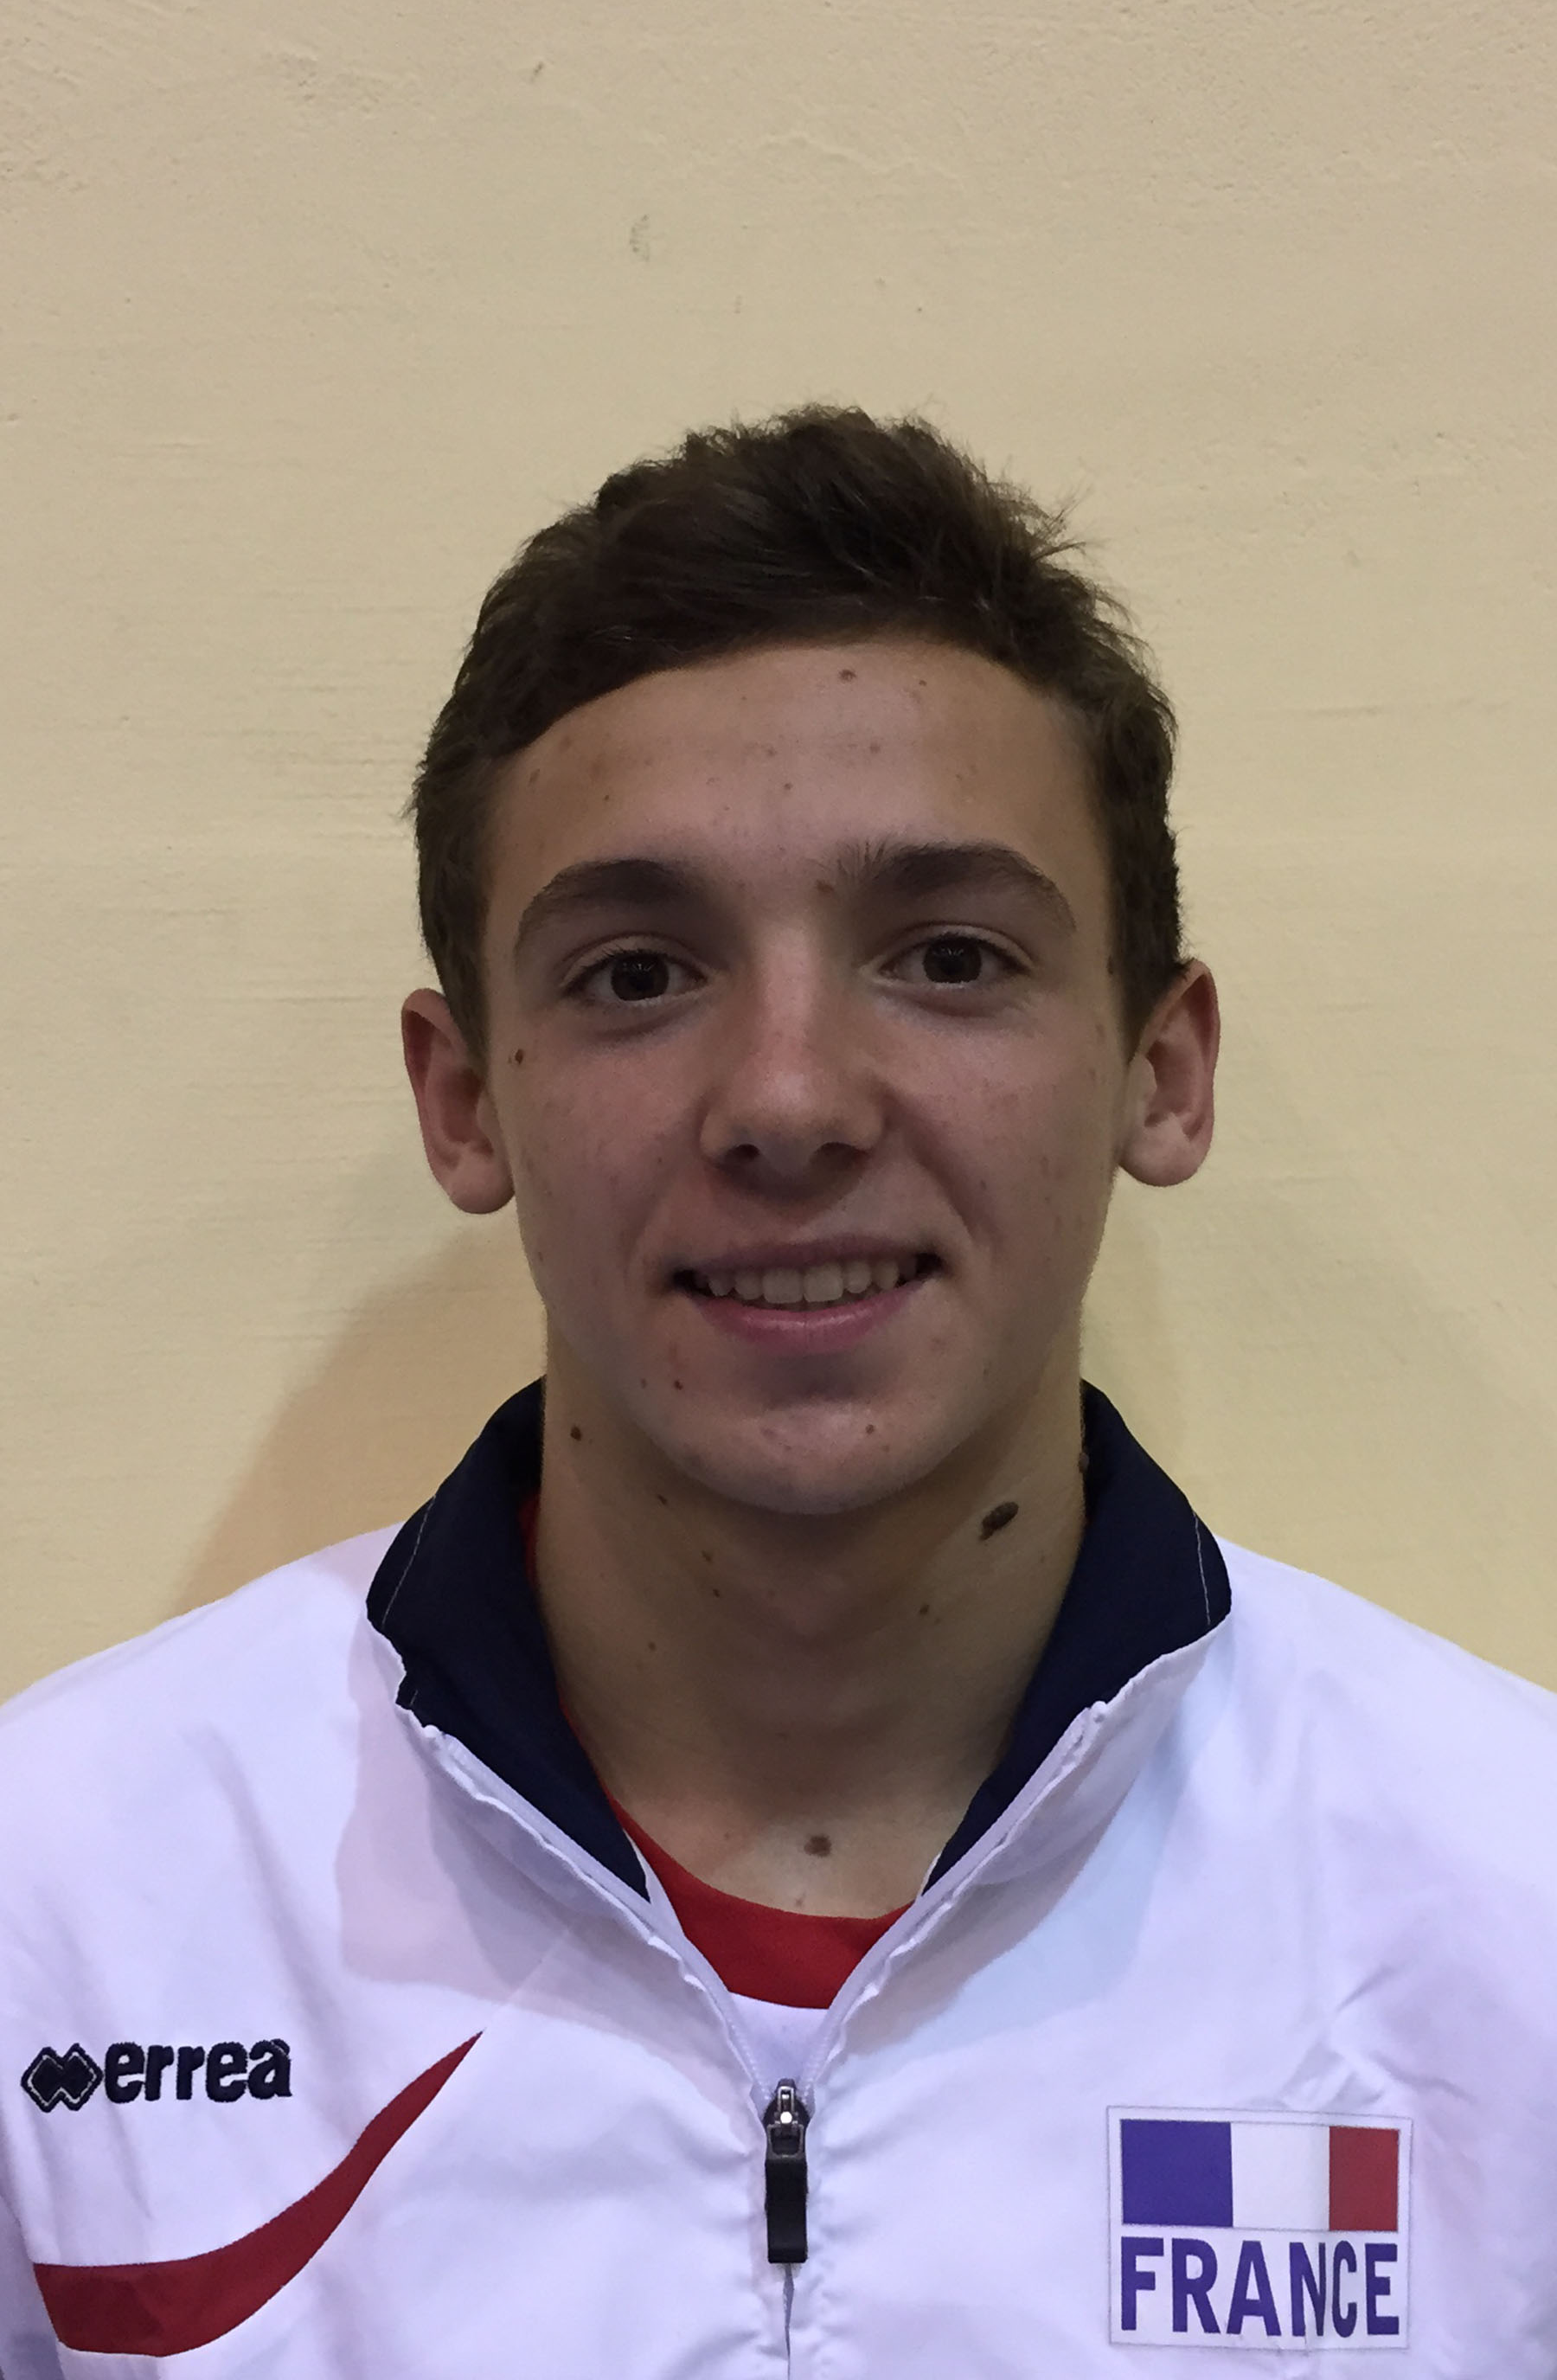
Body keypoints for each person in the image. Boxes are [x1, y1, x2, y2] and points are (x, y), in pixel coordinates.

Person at [3, 409, 1555, 2377]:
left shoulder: (1510, 1914)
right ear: (463, 1100)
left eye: (951, 955)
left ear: (1160, 1073)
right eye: (639, 974)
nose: (792, 1101)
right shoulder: (59, 1903)